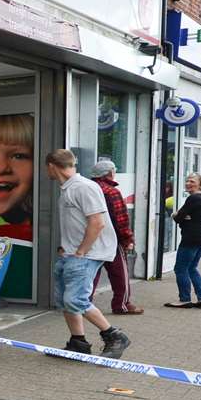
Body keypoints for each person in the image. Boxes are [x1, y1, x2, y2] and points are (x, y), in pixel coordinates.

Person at [43, 150, 131, 358]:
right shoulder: (68, 188)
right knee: (66, 300)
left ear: (51, 166)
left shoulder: (84, 187)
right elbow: (77, 223)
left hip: (86, 254)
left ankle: (115, 336)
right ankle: (78, 343)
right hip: (72, 253)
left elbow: (97, 222)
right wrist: (66, 247)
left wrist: (81, 251)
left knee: (76, 300)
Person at [88, 158, 141, 316]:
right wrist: (128, 239)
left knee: (91, 273)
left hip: (90, 238)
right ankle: (121, 304)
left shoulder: (88, 189)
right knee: (120, 274)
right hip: (112, 239)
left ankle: (84, 304)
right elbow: (121, 219)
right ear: (110, 173)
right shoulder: (112, 192)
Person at [167, 173, 201, 309]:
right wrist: (184, 216)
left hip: (192, 237)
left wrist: (176, 214)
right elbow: (184, 216)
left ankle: (185, 299)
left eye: (192, 181)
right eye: (187, 180)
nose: (188, 183)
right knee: (192, 267)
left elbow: (178, 217)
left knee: (180, 269)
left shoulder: (194, 198)